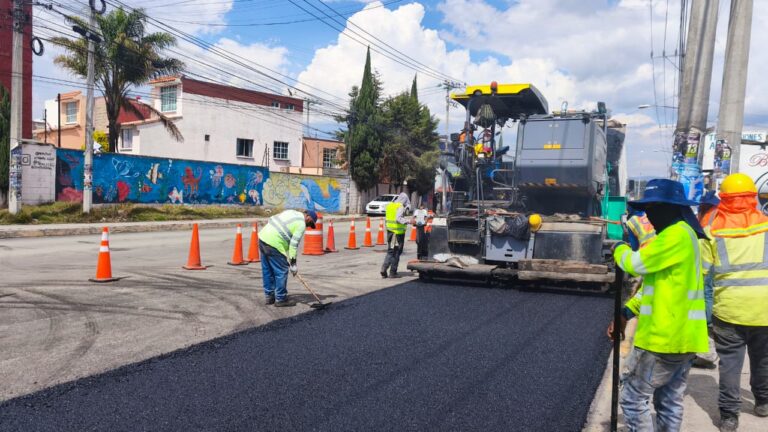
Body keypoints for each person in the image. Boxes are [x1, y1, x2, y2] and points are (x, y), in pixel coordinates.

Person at [607, 178, 709, 432]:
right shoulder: (683, 235)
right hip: (684, 337)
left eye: (654, 208)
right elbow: (657, 286)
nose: (650, 216)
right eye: (647, 209)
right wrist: (627, 311)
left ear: (672, 208)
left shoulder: (675, 235)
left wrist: (619, 249)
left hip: (663, 338)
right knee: (669, 400)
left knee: (632, 398)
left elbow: (634, 264)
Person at [700, 173, 768, 432]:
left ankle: (729, 416)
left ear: (724, 198)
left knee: (730, 363)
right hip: (764, 308)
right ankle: (763, 402)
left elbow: (700, 272)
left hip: (728, 309)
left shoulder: (712, 230)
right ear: (753, 197)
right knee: (763, 359)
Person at [258, 208, 317, 307]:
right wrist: (293, 264)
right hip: (274, 243)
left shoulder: (291, 212)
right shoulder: (301, 224)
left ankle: (269, 296)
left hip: (263, 238)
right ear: (308, 216)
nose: (308, 226)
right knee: (281, 271)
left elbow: (272, 218)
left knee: (267, 270)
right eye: (310, 223)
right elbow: (293, 245)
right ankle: (280, 298)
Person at [381, 192, 410, 278]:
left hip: (390, 232)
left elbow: (388, 219)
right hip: (397, 234)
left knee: (390, 251)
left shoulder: (390, 205)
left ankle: (384, 268)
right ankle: (393, 272)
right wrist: (409, 221)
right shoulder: (400, 206)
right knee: (397, 252)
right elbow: (398, 219)